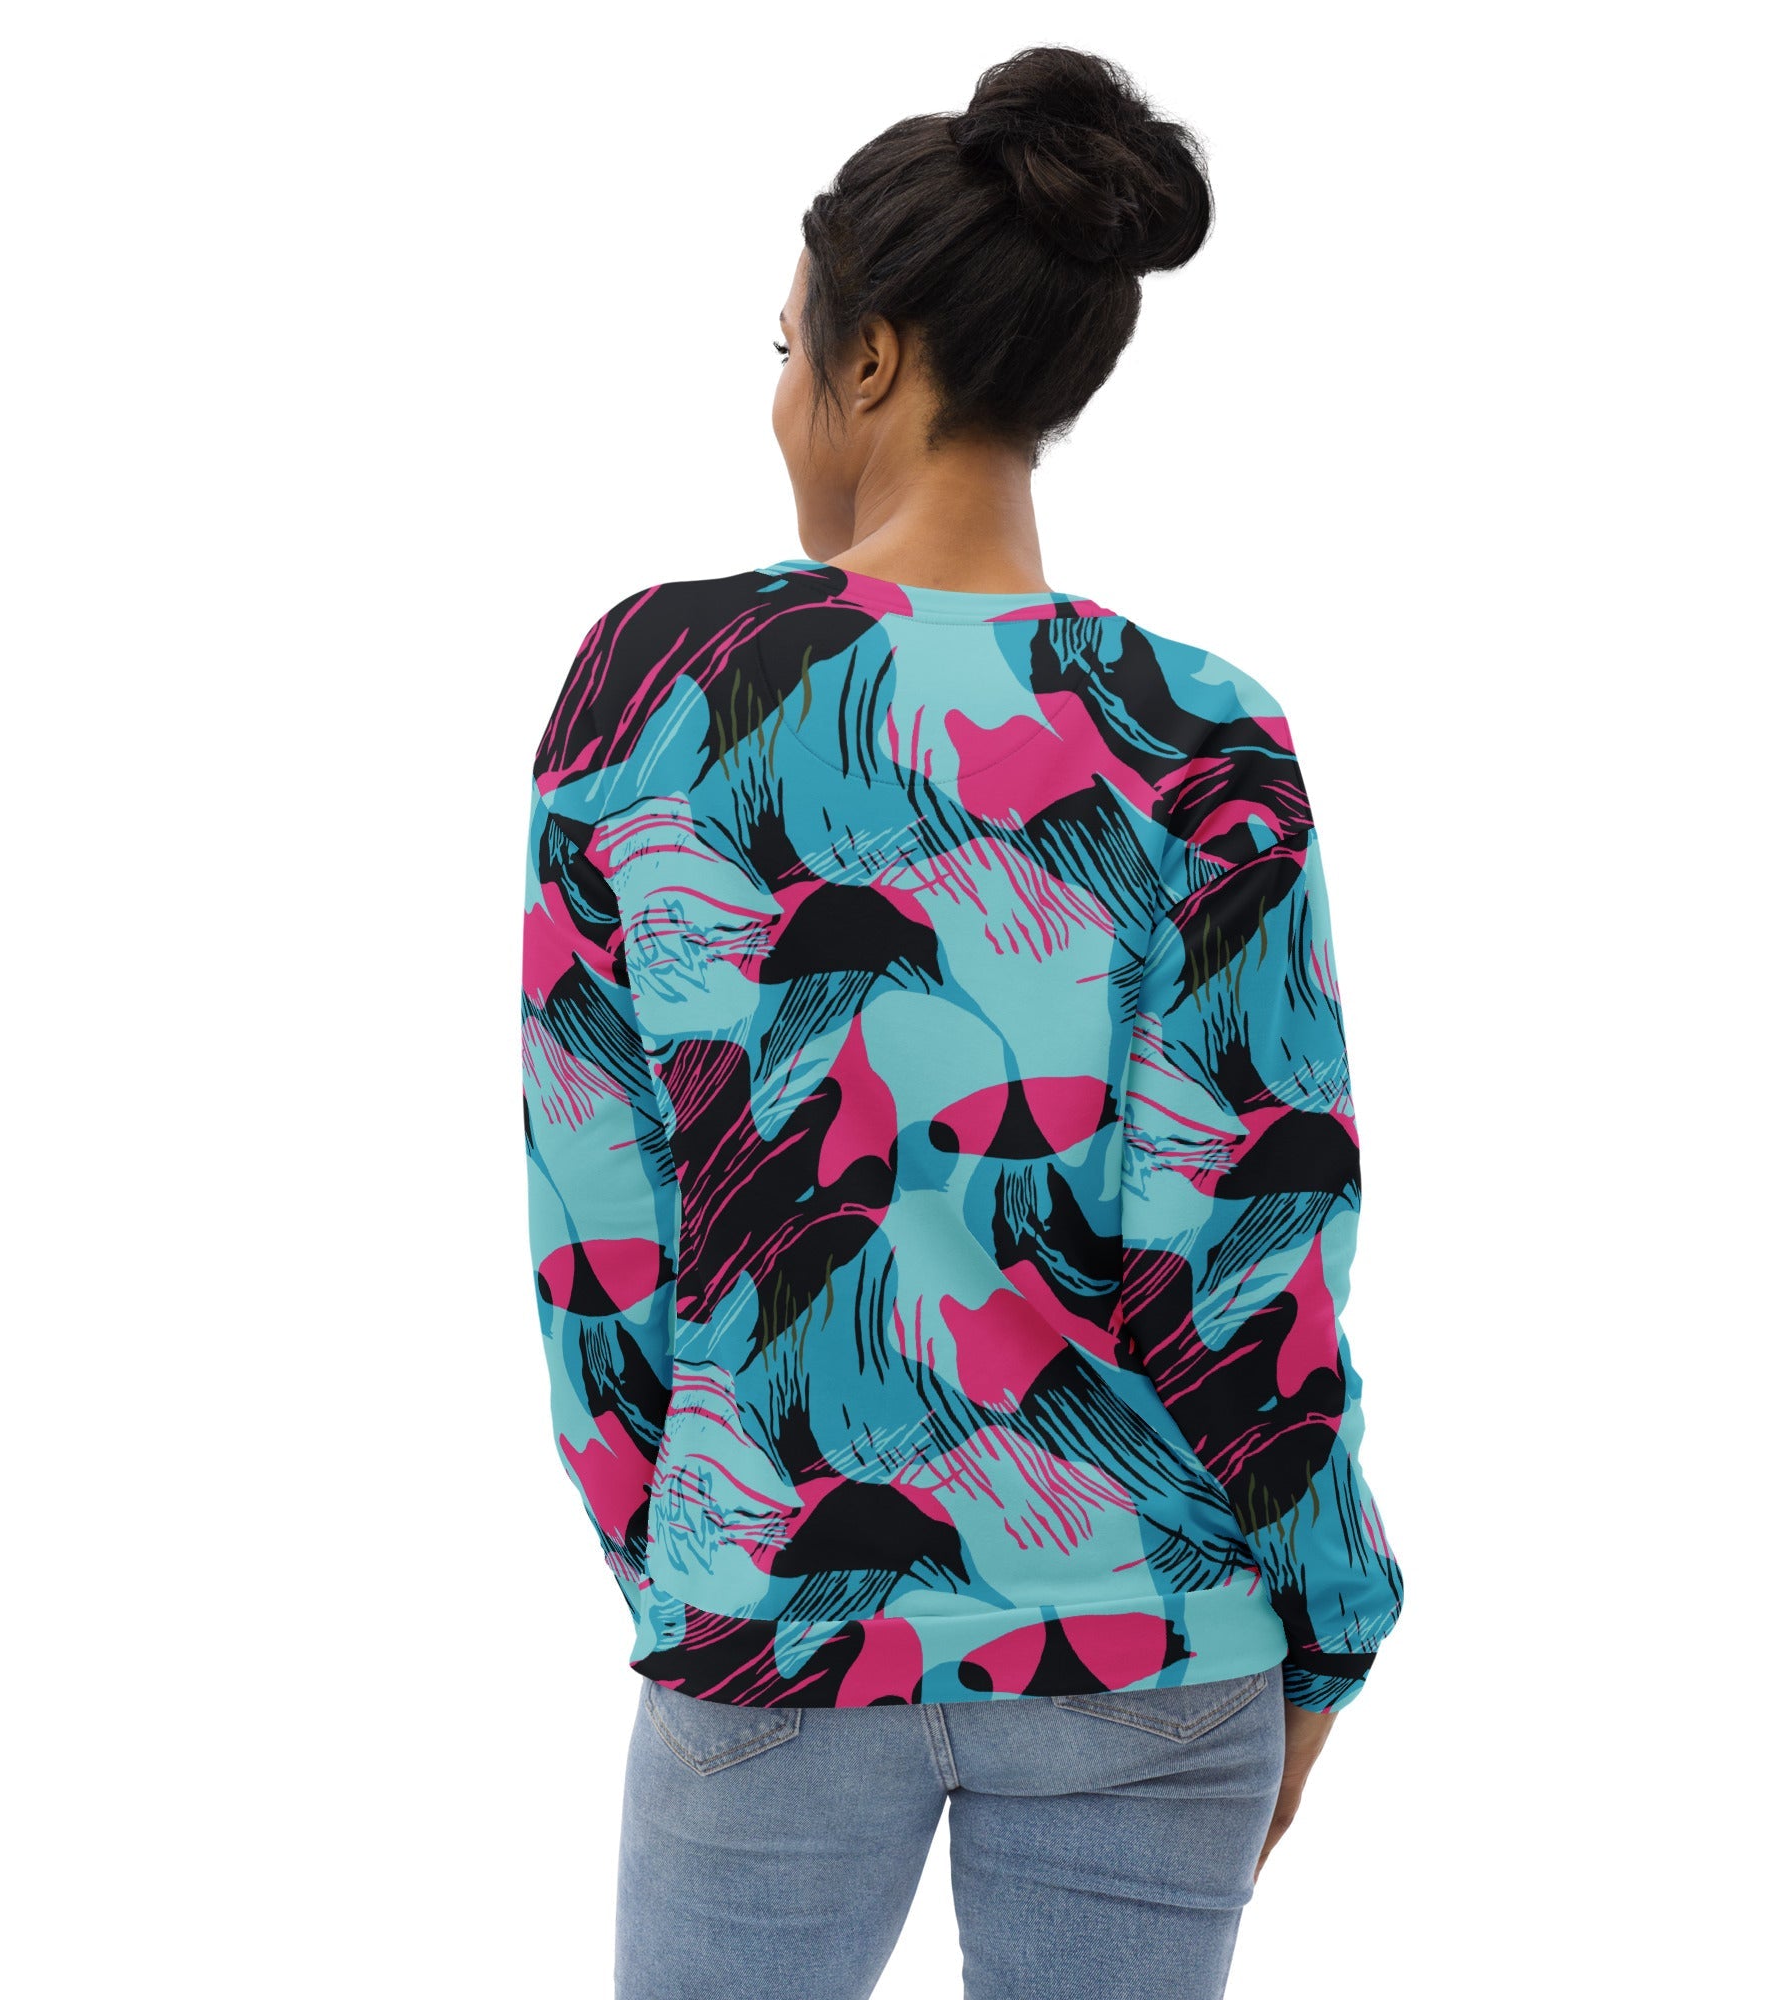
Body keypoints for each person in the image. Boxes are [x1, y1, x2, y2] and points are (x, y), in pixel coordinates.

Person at [520, 45, 1404, 2000]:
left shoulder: (651, 686)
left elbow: (600, 1209)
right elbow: (1251, 1238)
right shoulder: (1198, 737)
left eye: (786, 350)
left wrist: (700, 1562)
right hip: (1152, 1634)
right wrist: (1326, 1625)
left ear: (870, 357)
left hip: (771, 1614)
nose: (779, 400)